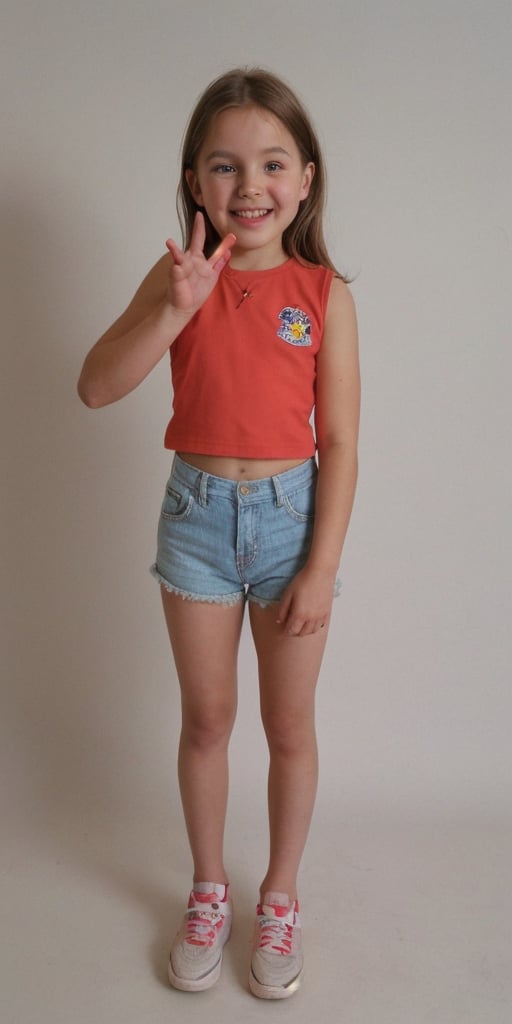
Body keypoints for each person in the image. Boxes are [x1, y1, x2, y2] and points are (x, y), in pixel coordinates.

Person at [77, 67, 360, 1000]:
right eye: (226, 166)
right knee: (207, 721)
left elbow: (344, 443)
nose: (250, 186)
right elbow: (96, 384)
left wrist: (320, 566)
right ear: (196, 183)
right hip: (196, 518)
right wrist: (175, 306)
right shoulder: (179, 277)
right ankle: (210, 886)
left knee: (288, 727)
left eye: (272, 164)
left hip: (289, 524)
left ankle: (278, 895)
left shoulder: (324, 294)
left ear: (305, 179)